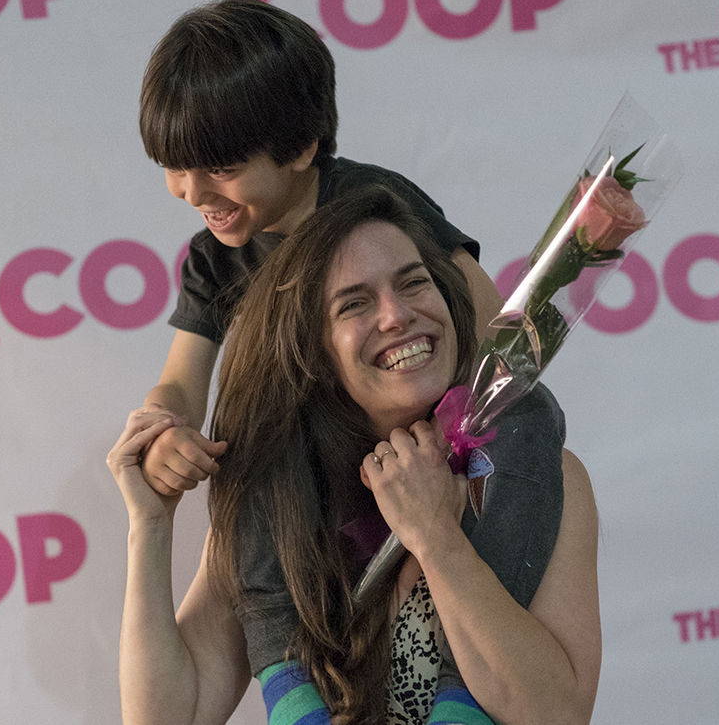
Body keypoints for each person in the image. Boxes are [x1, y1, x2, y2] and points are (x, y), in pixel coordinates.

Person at [109, 187, 600, 725]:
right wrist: (149, 527)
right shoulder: (276, 506)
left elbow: (555, 714)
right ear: (315, 351)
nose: (397, 315)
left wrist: (435, 536)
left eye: (414, 282)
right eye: (355, 303)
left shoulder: (542, 477)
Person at [133, 0, 504, 505]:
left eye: (222, 170)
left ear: (303, 146)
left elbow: (498, 341)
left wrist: (449, 446)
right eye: (175, 169)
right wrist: (163, 432)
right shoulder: (214, 259)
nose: (194, 194)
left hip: (439, 481)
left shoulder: (377, 209)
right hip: (326, 505)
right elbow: (180, 387)